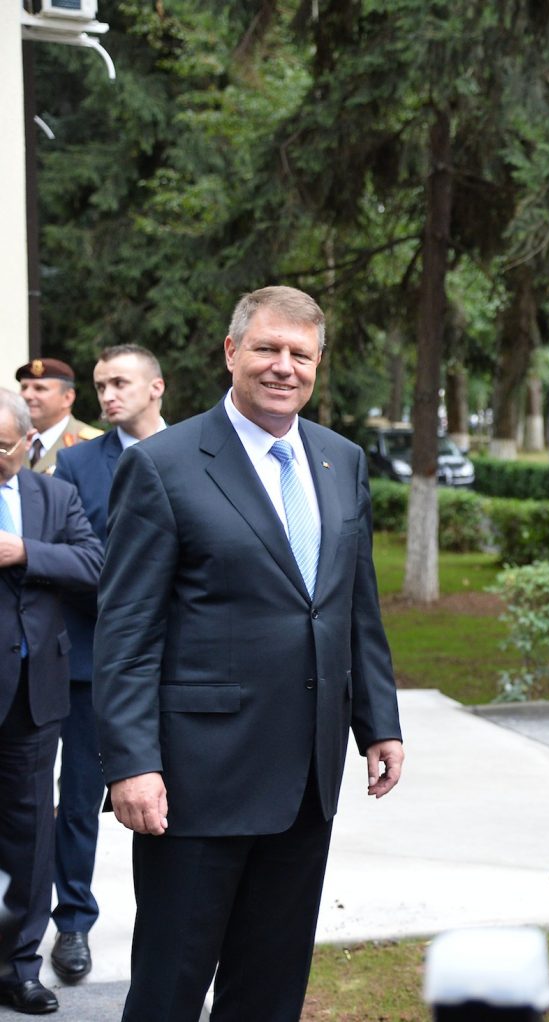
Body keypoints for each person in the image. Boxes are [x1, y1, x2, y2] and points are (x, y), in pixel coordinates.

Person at [94, 286, 404, 1021]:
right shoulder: (164, 465)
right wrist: (132, 763)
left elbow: (354, 605)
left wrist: (379, 723)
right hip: (196, 782)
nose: (283, 367)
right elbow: (127, 630)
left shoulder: (341, 460)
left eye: (301, 354)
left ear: (318, 365)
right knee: (170, 988)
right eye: (267, 348)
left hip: (306, 779)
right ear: (232, 352)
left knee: (269, 991)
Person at [46, 345, 168, 984]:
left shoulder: (201, 452)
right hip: (94, 659)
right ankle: (73, 922)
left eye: (120, 382)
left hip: (179, 664)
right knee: (78, 800)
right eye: (100, 385)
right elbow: (70, 556)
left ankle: (175, 922)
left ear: (156, 388)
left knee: (180, 799)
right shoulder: (76, 463)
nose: (108, 395)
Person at [0, 389, 103, 1014]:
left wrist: (26, 552)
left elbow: (94, 563)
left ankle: (18, 967)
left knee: (30, 836)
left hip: (34, 696)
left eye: (1, 446)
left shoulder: (53, 496)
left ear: (26, 441)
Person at [13, 359, 101, 475]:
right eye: (24, 388)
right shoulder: (11, 441)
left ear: (67, 397)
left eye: (39, 388)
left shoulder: (93, 444)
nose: (27, 395)